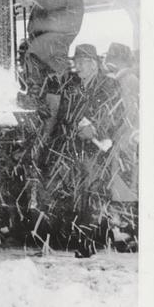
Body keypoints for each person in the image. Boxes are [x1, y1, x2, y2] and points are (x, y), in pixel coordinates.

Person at [41, 43, 123, 257]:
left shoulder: (109, 86)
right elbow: (63, 116)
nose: (81, 67)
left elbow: (116, 114)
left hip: (99, 149)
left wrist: (96, 129)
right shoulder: (70, 86)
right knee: (75, 194)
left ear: (95, 64)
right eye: (77, 62)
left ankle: (88, 242)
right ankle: (87, 238)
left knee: (94, 193)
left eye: (86, 62)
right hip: (73, 147)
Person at [103, 42, 139, 247]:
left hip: (125, 141)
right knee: (120, 186)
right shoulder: (125, 79)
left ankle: (126, 232)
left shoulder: (127, 80)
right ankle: (122, 230)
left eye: (112, 58)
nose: (109, 62)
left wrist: (115, 133)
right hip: (123, 140)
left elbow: (127, 112)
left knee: (123, 186)